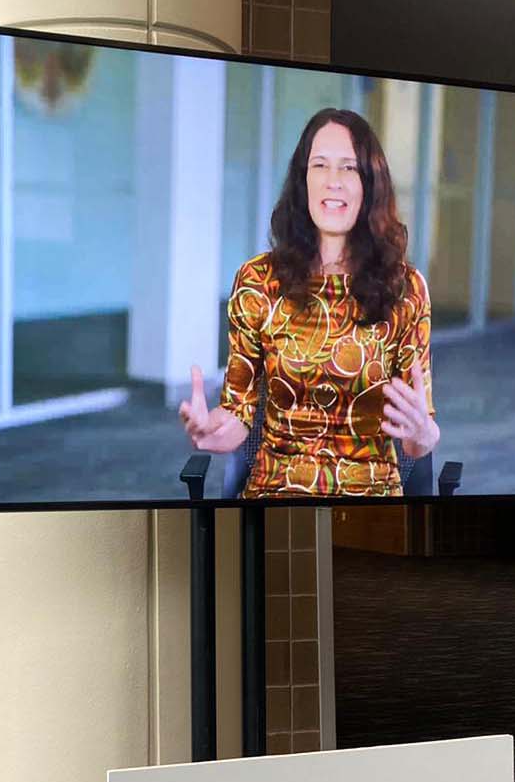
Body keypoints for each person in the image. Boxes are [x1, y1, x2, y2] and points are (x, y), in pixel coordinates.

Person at [178, 107, 437, 497]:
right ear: (303, 180)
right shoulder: (259, 282)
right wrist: (212, 430)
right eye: (320, 165)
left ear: (370, 184)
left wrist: (426, 433)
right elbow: (237, 415)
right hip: (276, 495)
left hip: (372, 502)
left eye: (349, 168)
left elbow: (415, 442)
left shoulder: (404, 288)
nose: (333, 181)